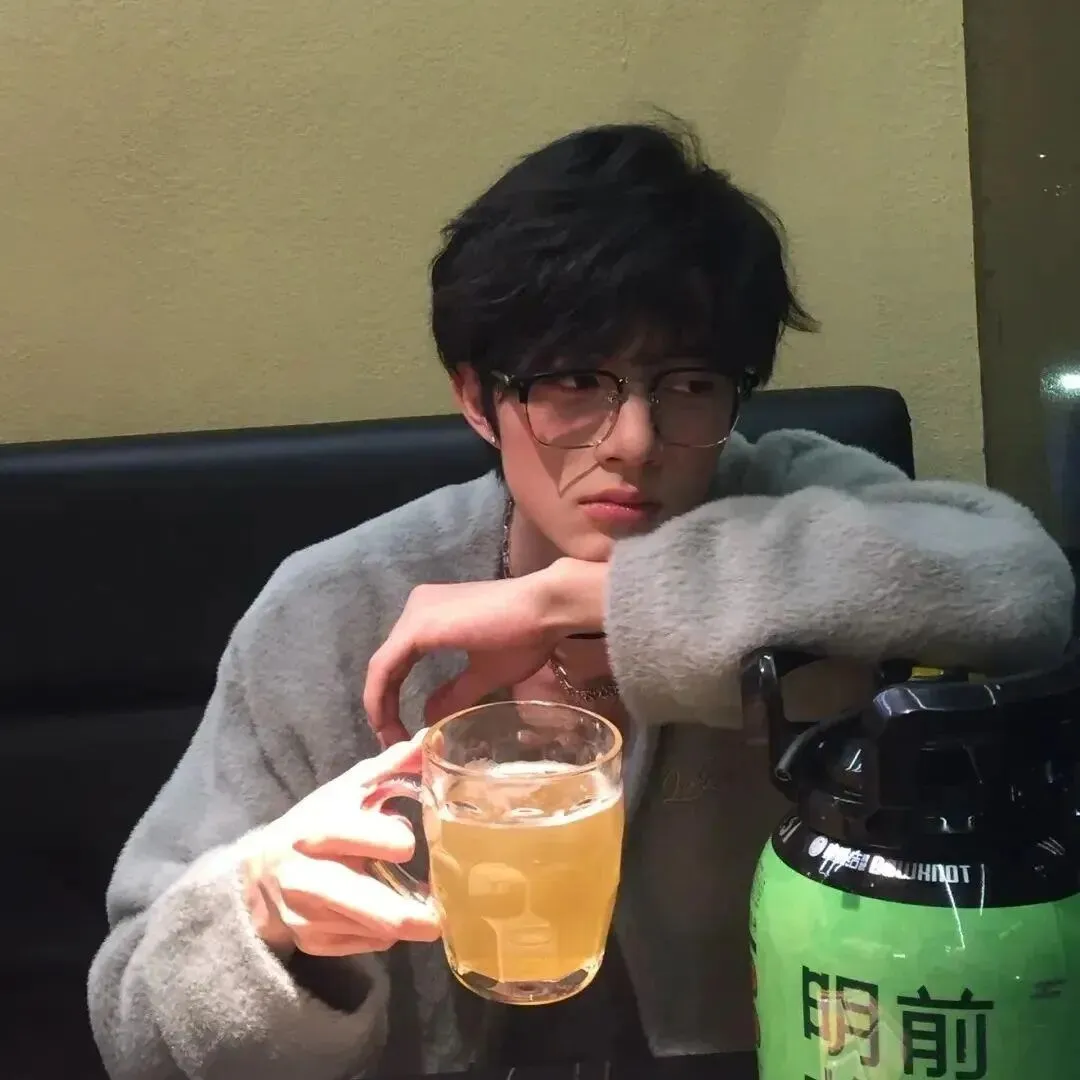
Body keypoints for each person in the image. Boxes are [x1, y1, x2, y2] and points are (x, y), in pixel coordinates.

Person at [88, 119, 1074, 1080]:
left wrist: (577, 600)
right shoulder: (336, 611)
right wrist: (262, 915)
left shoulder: (783, 496)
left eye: (688, 384)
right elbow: (134, 1024)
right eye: (572, 382)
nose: (636, 440)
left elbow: (1019, 584)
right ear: (476, 398)